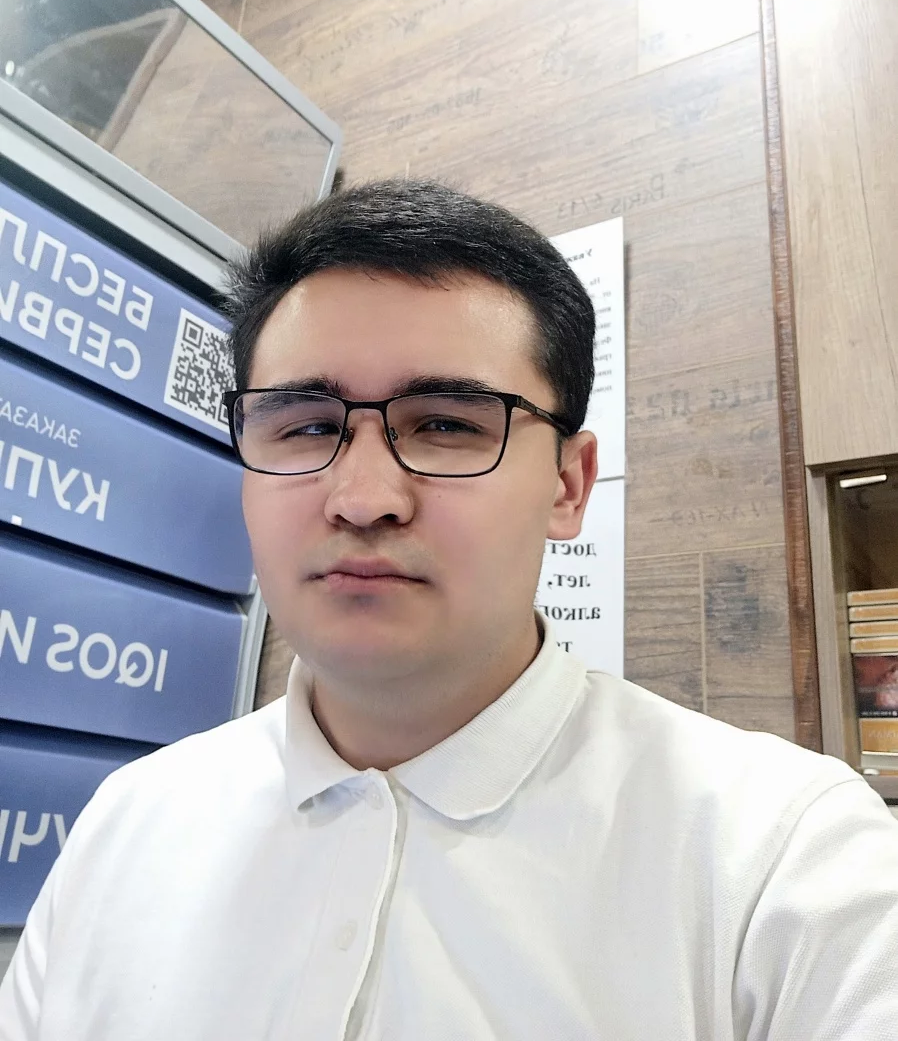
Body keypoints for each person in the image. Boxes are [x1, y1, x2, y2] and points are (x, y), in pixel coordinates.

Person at [1, 180, 896, 1040]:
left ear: (568, 485)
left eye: (446, 425)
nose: (362, 498)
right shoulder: (127, 824)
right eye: (306, 426)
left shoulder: (781, 861)